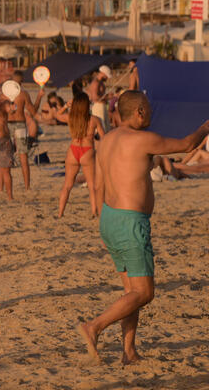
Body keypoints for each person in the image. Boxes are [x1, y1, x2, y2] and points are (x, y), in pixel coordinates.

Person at [76, 91, 209, 365]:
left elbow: (99, 184)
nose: (150, 112)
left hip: (110, 218)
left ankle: (129, 352)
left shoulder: (107, 139)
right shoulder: (141, 139)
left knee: (132, 293)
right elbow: (187, 145)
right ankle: (93, 327)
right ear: (139, 111)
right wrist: (206, 126)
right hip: (130, 223)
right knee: (144, 293)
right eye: (148, 108)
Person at [57, 92, 106, 219]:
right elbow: (104, 138)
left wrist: (65, 106)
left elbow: (57, 115)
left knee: (67, 185)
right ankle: (94, 212)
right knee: (92, 186)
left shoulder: (70, 117)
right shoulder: (94, 119)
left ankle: (60, 213)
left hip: (73, 150)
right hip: (87, 151)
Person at [7, 72, 39, 190]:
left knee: (5, 156)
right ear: (21, 82)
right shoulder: (23, 94)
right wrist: (39, 97)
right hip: (19, 124)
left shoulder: (4, 94)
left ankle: (2, 187)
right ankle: (27, 187)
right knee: (23, 156)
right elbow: (33, 111)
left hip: (8, 124)